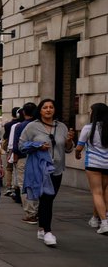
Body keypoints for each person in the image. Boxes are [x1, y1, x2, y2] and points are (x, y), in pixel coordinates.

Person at [19, 99, 74, 247]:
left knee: (48, 199)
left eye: (51, 107)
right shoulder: (32, 126)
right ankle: (48, 231)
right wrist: (37, 146)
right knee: (46, 199)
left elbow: (67, 149)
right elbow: (21, 145)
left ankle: (42, 228)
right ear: (40, 110)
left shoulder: (61, 127)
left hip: (57, 170)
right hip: (40, 169)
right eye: (45, 107)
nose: (48, 110)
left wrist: (69, 141)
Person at [76, 103, 108, 234]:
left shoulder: (88, 128)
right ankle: (95, 219)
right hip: (107, 164)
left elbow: (79, 147)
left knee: (97, 193)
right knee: (104, 192)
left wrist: (77, 153)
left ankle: (105, 223)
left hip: (93, 164)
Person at [13, 102, 38, 223]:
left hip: (23, 158)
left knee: (24, 185)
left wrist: (15, 158)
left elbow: (17, 145)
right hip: (38, 158)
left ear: (23, 112)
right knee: (37, 184)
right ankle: (37, 210)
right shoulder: (40, 125)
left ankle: (30, 213)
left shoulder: (20, 126)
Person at [2, 107, 21, 196]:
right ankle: (15, 187)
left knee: (9, 168)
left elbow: (5, 136)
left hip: (10, 148)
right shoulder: (20, 124)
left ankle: (9, 186)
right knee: (16, 168)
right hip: (17, 148)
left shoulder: (8, 125)